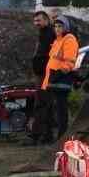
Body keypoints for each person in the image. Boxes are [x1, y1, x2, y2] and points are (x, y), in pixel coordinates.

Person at [41, 16, 80, 145]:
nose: (57, 29)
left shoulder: (69, 39)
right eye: (55, 26)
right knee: (53, 111)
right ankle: (55, 138)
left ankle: (62, 138)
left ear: (66, 27)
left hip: (60, 81)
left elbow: (70, 62)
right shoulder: (58, 40)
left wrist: (58, 73)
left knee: (61, 111)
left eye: (60, 26)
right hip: (52, 81)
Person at [27, 10, 54, 140]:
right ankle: (43, 133)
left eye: (39, 20)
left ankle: (39, 134)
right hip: (41, 73)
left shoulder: (49, 34)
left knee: (42, 103)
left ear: (46, 20)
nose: (36, 23)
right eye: (35, 21)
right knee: (43, 103)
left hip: (45, 74)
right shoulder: (43, 34)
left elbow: (46, 55)